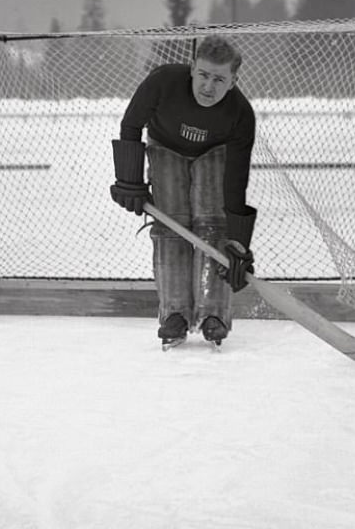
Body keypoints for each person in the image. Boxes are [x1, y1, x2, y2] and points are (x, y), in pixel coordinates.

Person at [110, 35, 257, 349]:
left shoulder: (240, 115)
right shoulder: (162, 82)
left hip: (215, 152)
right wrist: (130, 181)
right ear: (192, 68)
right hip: (165, 147)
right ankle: (174, 313)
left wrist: (237, 243)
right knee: (170, 226)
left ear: (233, 81)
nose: (208, 86)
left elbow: (236, 180)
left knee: (214, 227)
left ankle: (214, 315)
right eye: (203, 75)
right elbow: (131, 124)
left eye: (219, 79)